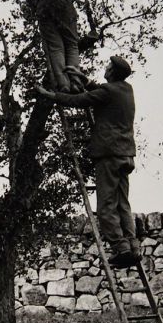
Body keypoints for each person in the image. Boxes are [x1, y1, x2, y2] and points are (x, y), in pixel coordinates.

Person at [35, 55, 139, 268]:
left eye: (108, 66)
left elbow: (80, 100)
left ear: (112, 72)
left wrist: (51, 95)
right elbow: (101, 92)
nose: (106, 67)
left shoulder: (108, 91)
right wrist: (84, 79)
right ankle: (133, 246)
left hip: (109, 154)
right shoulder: (126, 90)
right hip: (126, 154)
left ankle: (121, 248)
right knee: (122, 203)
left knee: (106, 206)